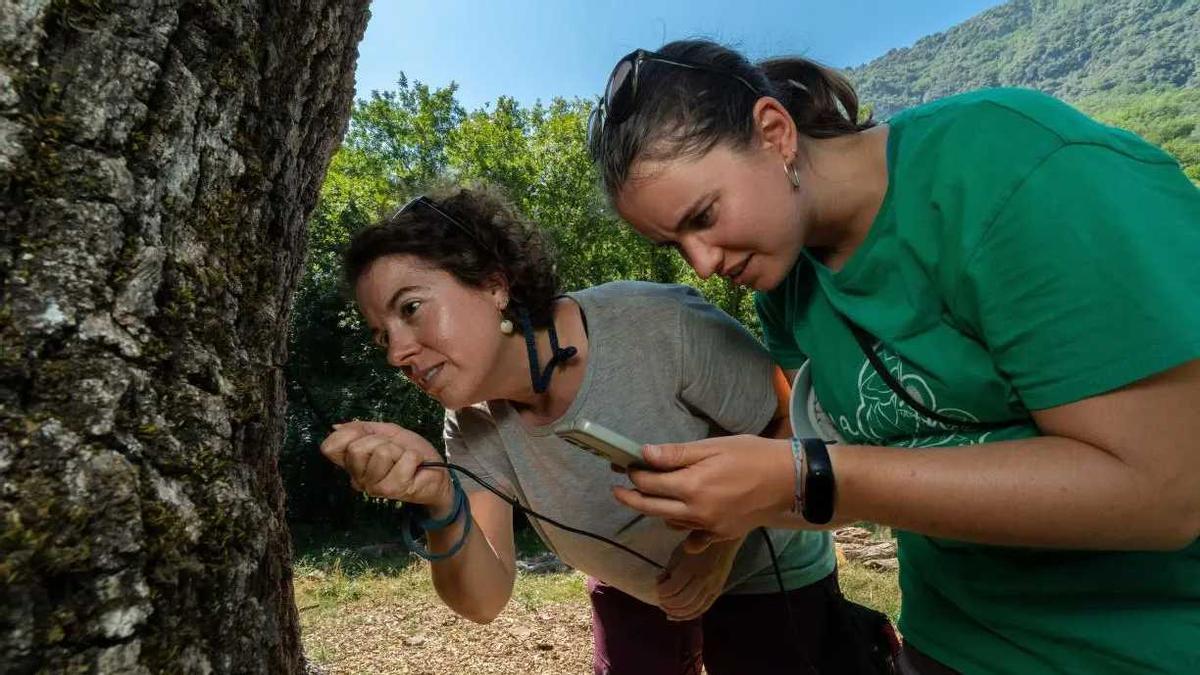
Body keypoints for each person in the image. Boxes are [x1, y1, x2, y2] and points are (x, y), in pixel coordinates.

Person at [586, 39, 1200, 674]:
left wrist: (805, 477)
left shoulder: (1008, 170)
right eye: (675, 243)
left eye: (704, 216)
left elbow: (1165, 492)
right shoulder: (787, 288)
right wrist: (737, 507)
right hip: (950, 644)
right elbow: (878, 480)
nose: (705, 263)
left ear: (775, 133)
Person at [317, 184, 849, 675]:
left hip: (769, 579)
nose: (396, 352)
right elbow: (483, 599)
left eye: (411, 308)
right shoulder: (471, 421)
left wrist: (720, 542)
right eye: (380, 334)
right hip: (630, 592)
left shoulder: (657, 324)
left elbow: (794, 427)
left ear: (493, 283)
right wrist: (438, 499)